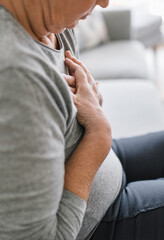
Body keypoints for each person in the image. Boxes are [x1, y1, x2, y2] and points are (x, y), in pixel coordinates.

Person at [0, 1, 163, 240]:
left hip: (107, 164)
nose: (105, 3)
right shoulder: (18, 79)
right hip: (98, 222)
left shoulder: (54, 24)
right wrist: (99, 135)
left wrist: (94, 106)